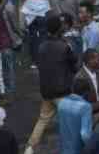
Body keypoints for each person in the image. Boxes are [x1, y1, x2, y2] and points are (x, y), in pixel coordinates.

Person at [25, 14, 77, 154]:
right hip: (63, 91)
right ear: (60, 28)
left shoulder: (41, 46)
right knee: (68, 122)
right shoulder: (64, 46)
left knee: (43, 120)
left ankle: (30, 148)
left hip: (47, 91)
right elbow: (74, 66)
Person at [57, 80, 94, 154]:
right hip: (77, 149)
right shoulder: (85, 107)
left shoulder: (61, 102)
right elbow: (85, 134)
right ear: (86, 92)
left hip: (63, 148)